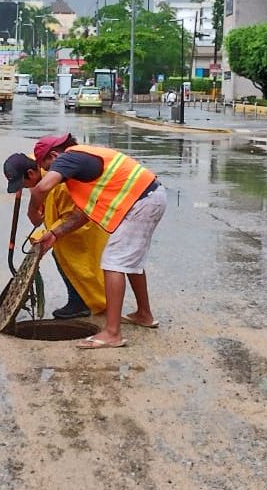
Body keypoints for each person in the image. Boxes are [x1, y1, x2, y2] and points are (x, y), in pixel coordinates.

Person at [28, 133, 167, 350]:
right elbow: (83, 214)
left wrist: (33, 212)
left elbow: (40, 188)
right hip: (149, 197)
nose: (49, 172)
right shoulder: (82, 168)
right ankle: (144, 314)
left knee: (113, 262)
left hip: (141, 202)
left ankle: (112, 333)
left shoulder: (69, 158)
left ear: (54, 155)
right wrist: (55, 234)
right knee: (131, 261)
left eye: (47, 166)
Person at [3, 152, 107, 318]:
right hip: (66, 220)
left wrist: (50, 233)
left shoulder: (60, 187)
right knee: (60, 255)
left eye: (24, 184)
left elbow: (71, 217)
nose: (25, 188)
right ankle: (80, 299)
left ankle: (80, 302)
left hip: (83, 225)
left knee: (68, 261)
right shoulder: (36, 168)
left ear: (31, 173)